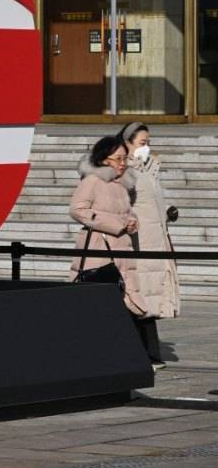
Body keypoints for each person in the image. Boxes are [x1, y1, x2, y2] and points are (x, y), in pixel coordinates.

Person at [70, 135, 148, 348]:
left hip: (122, 249)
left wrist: (132, 222)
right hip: (99, 250)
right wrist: (116, 224)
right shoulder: (92, 181)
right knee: (102, 303)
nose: (123, 163)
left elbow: (126, 212)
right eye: (118, 159)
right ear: (104, 159)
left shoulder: (121, 184)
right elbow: (77, 210)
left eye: (125, 158)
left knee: (126, 301)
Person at [117, 121, 180, 366]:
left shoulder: (149, 169)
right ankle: (145, 355)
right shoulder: (125, 172)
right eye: (142, 143)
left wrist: (168, 210)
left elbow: (150, 202)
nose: (147, 147)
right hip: (138, 244)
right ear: (127, 143)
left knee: (148, 298)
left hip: (156, 243)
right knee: (140, 298)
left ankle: (149, 354)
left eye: (148, 142)